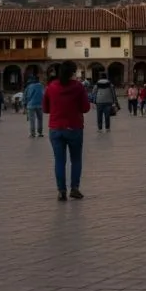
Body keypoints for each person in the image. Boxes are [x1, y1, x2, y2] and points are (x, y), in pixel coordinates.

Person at [43, 61, 89, 201]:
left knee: (59, 161)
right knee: (75, 160)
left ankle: (61, 191)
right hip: (74, 128)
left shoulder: (51, 87)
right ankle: (74, 188)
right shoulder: (78, 87)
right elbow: (85, 108)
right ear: (73, 73)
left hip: (56, 129)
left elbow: (45, 109)